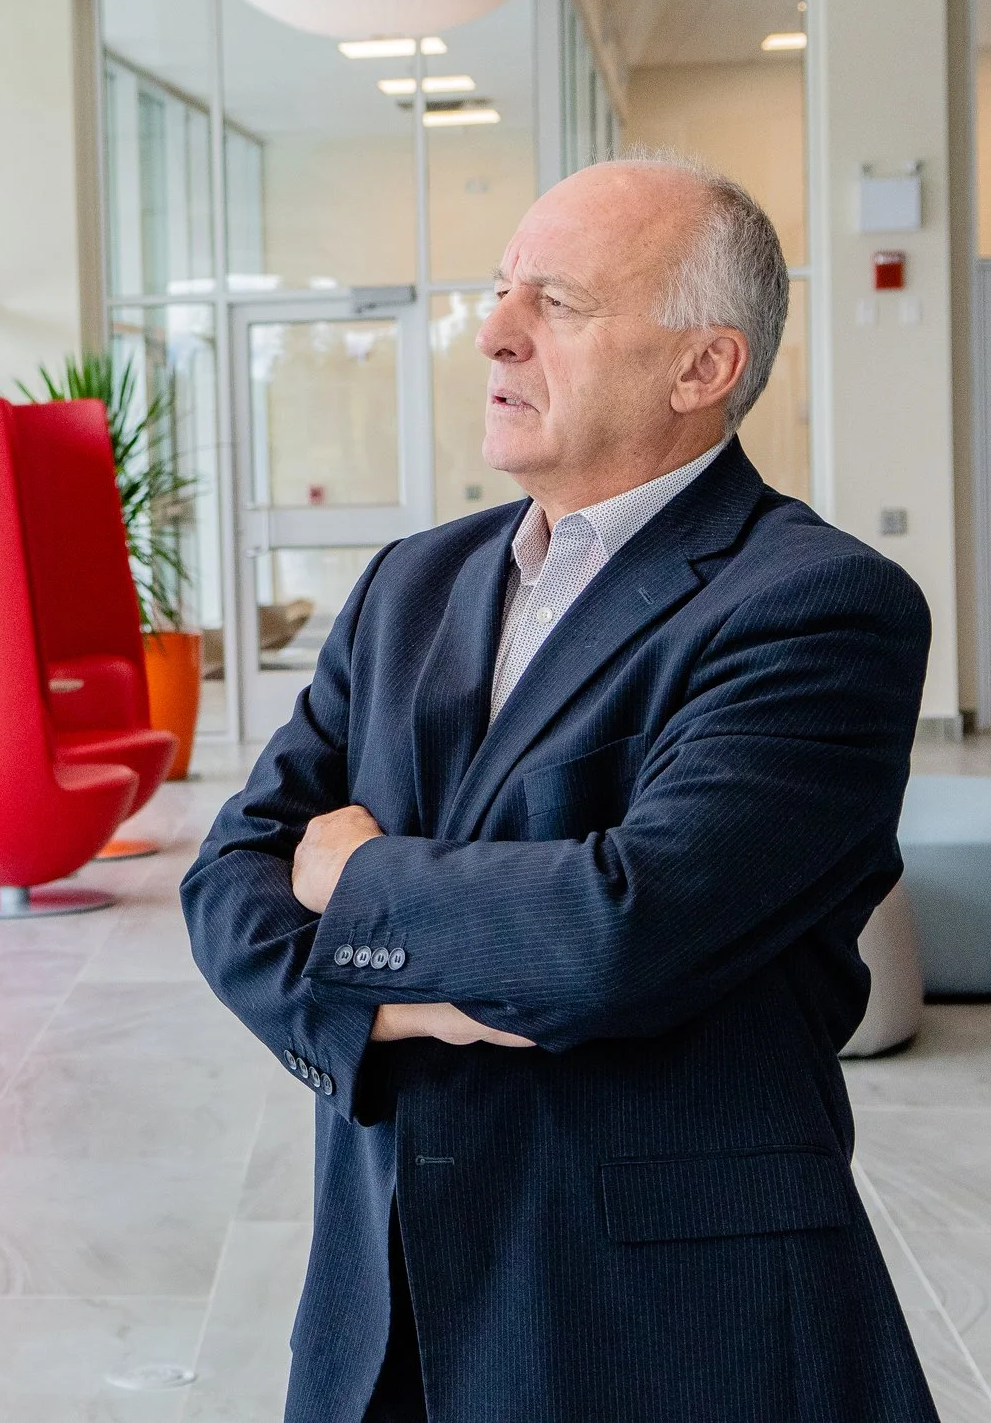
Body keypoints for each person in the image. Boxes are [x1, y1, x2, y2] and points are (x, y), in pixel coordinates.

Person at [182, 156, 939, 1423]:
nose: (493, 331)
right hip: (384, 1303)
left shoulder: (817, 608)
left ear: (703, 367)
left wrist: (355, 880)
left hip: (658, 1319)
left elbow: (618, 930)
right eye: (498, 291)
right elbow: (228, 879)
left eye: (558, 301)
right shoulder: (407, 585)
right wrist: (404, 1014)